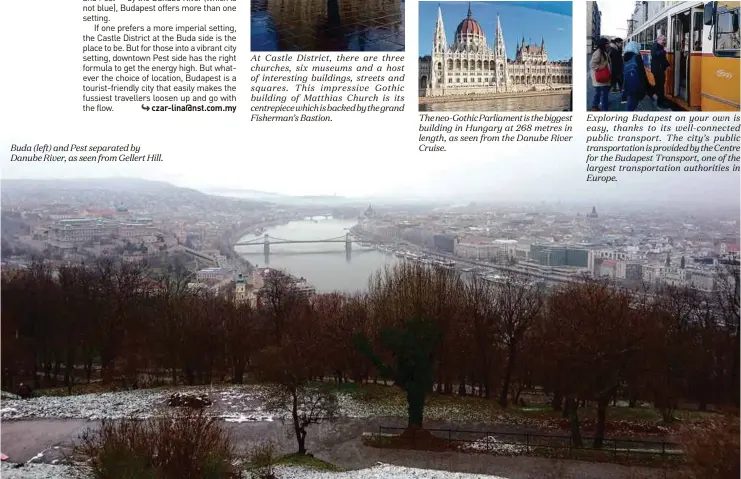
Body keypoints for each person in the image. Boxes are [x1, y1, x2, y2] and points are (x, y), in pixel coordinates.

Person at [622, 41, 651, 111]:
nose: (639, 49)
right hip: (636, 87)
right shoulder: (637, 57)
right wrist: (646, 88)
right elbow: (642, 74)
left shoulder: (626, 57)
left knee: (630, 103)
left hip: (628, 85)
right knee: (632, 105)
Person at [590, 38, 612, 111]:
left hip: (601, 78)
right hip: (601, 77)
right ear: (603, 44)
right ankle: (604, 110)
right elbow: (592, 64)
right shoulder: (598, 52)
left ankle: (595, 106)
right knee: (604, 95)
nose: (608, 45)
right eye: (607, 43)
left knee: (598, 93)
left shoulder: (602, 51)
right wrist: (601, 68)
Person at [651, 35, 671, 108]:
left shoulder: (660, 46)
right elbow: (655, 54)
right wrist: (664, 51)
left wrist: (667, 65)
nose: (664, 41)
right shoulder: (655, 46)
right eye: (663, 40)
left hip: (659, 68)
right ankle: (660, 102)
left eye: (665, 40)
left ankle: (655, 94)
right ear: (658, 39)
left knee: (660, 84)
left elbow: (663, 58)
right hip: (657, 69)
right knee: (660, 85)